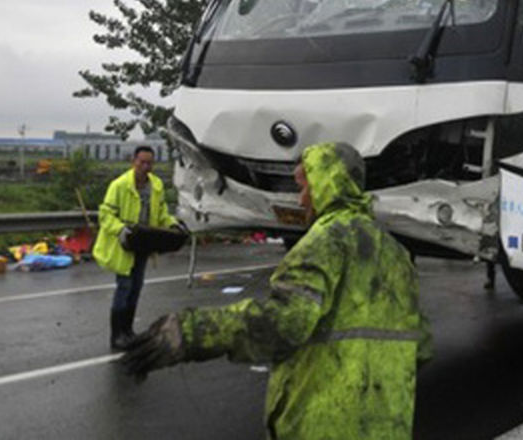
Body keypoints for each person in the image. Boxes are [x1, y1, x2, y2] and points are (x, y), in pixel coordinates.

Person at [123, 141, 432, 439]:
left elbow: (283, 323)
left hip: (326, 425)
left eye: (305, 187)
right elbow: (421, 344)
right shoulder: (396, 253)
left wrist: (190, 332)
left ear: (328, 184)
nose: (301, 200)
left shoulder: (325, 242)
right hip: (388, 425)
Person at [93, 145, 178, 351]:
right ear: (134, 162)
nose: (146, 167)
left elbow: (161, 213)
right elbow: (105, 215)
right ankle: (117, 336)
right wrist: (121, 229)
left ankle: (128, 331)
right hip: (125, 244)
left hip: (144, 244)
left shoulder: (156, 185)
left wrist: (172, 224)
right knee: (124, 288)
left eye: (150, 163)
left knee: (136, 288)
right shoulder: (120, 185)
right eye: (142, 162)